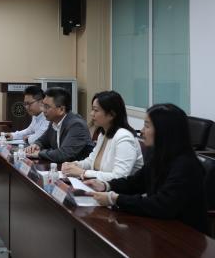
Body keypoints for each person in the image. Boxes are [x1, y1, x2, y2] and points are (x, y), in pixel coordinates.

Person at [85, 103, 208, 234]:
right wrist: (105, 185)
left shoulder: (186, 165)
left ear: (164, 131)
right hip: (160, 227)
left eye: (147, 126)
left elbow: (162, 205)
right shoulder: (159, 156)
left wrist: (115, 199)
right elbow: (135, 183)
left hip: (185, 235)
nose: (142, 131)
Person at [62, 91, 143, 182]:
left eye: (96, 110)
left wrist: (83, 173)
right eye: (92, 109)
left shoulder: (124, 138)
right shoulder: (103, 134)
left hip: (120, 190)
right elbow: (91, 161)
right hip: (100, 186)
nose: (91, 114)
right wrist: (75, 165)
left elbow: (119, 177)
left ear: (111, 114)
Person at [25, 87, 94, 163]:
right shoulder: (54, 121)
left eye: (47, 107)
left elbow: (63, 154)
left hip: (79, 168)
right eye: (43, 105)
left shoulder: (77, 125)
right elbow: (43, 140)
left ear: (61, 110)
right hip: (62, 167)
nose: (43, 110)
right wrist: (36, 145)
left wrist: (39, 154)